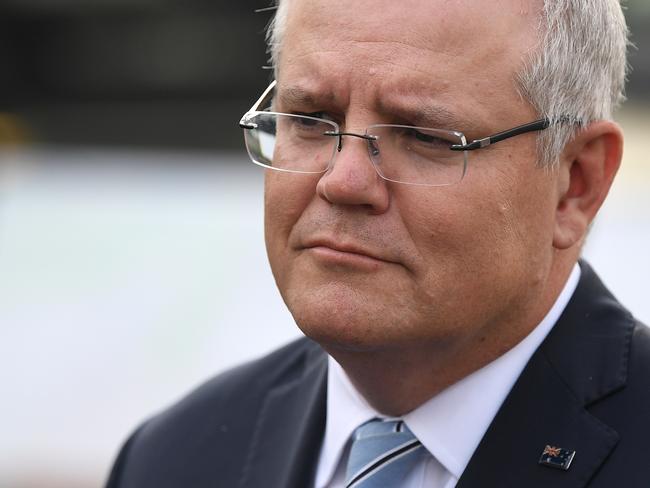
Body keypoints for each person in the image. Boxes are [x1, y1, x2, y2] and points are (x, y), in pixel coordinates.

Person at [106, 0, 650, 486]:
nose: (341, 182)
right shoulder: (173, 458)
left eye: (424, 136)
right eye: (313, 120)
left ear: (575, 184)